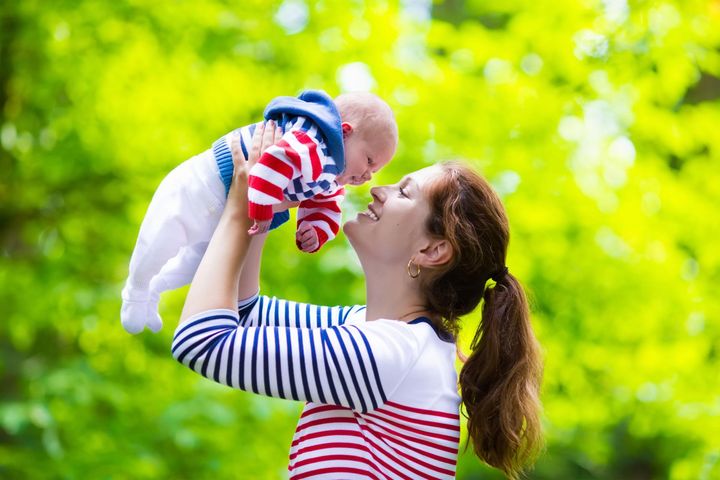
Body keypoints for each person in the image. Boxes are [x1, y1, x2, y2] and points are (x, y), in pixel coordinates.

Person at [172, 124, 543, 479]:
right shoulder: (370, 329)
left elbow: (201, 341)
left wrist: (240, 209)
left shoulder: (389, 354)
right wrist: (265, 204)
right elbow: (245, 313)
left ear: (433, 249)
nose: (379, 189)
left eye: (404, 192)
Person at [121, 90, 398, 334]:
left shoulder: (330, 176)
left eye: (375, 171)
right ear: (345, 132)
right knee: (159, 241)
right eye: (369, 160)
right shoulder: (310, 141)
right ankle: (136, 291)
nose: (367, 176)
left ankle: (154, 290)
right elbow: (270, 164)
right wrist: (263, 211)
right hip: (201, 187)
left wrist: (314, 231)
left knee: (195, 266)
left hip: (224, 215)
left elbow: (328, 206)